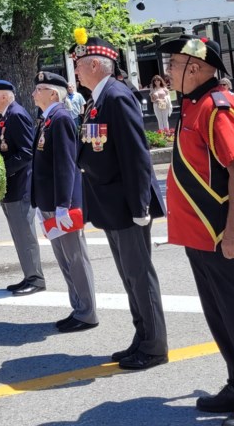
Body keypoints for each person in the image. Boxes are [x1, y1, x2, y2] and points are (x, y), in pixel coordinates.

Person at [159, 34, 234, 426]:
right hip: (200, 235)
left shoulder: (217, 108)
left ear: (195, 68)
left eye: (174, 64)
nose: (168, 70)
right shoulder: (193, 106)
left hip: (221, 234)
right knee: (220, 316)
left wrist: (232, 233)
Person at [71, 30, 168, 370]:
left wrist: (141, 205)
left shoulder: (115, 96)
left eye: (80, 65)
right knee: (129, 276)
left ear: (96, 64)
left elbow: (135, 155)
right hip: (111, 204)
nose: (77, 72)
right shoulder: (97, 99)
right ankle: (142, 337)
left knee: (140, 275)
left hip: (128, 205)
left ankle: (154, 346)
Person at [30, 71, 98, 333]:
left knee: (76, 258)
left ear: (53, 94)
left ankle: (87, 312)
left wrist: (63, 205)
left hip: (63, 205)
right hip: (50, 202)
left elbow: (66, 165)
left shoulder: (60, 119)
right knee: (65, 260)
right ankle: (79, 308)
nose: (34, 93)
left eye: (39, 89)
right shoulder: (47, 120)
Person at [0, 78, 42, 297]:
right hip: (10, 186)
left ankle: (36, 279)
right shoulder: (6, 116)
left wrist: (2, 172)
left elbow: (27, 152)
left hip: (19, 184)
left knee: (25, 233)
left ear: (3, 96)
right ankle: (29, 275)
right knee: (18, 234)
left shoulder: (16, 114)